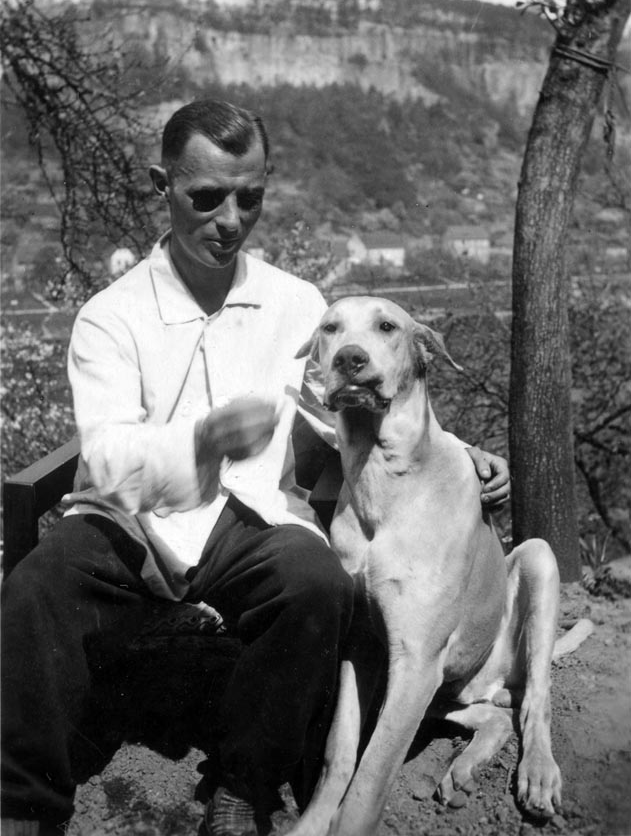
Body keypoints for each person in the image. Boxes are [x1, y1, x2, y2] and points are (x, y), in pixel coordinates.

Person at [1, 98, 511, 836]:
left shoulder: (294, 303)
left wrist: (462, 451)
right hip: (132, 522)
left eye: (251, 197)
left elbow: (352, 397)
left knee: (315, 586)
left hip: (251, 520)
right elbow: (107, 457)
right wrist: (203, 441)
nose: (230, 220)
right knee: (34, 591)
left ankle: (243, 783)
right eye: (206, 198)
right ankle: (23, 806)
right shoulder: (111, 315)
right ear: (161, 184)